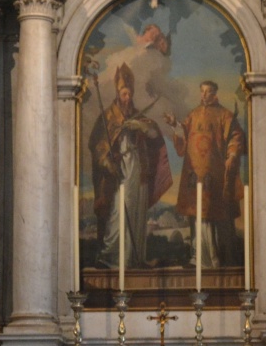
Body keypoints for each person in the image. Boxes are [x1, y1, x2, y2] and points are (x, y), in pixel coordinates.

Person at [89, 64, 171, 269]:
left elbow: (154, 134)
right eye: (123, 94)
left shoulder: (137, 115)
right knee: (119, 211)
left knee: (137, 213)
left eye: (129, 94)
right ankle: (111, 257)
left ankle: (134, 258)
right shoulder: (109, 117)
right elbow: (98, 146)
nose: (127, 98)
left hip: (138, 168)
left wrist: (141, 126)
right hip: (120, 171)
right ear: (118, 93)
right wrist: (108, 162)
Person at [165, 81, 247, 270]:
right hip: (194, 172)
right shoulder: (193, 114)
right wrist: (175, 124)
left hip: (214, 173)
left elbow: (236, 136)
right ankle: (197, 256)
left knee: (212, 213)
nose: (204, 95)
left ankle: (214, 257)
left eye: (208, 91)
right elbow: (184, 135)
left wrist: (232, 154)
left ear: (214, 93)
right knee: (195, 214)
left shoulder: (225, 115)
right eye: (202, 91)